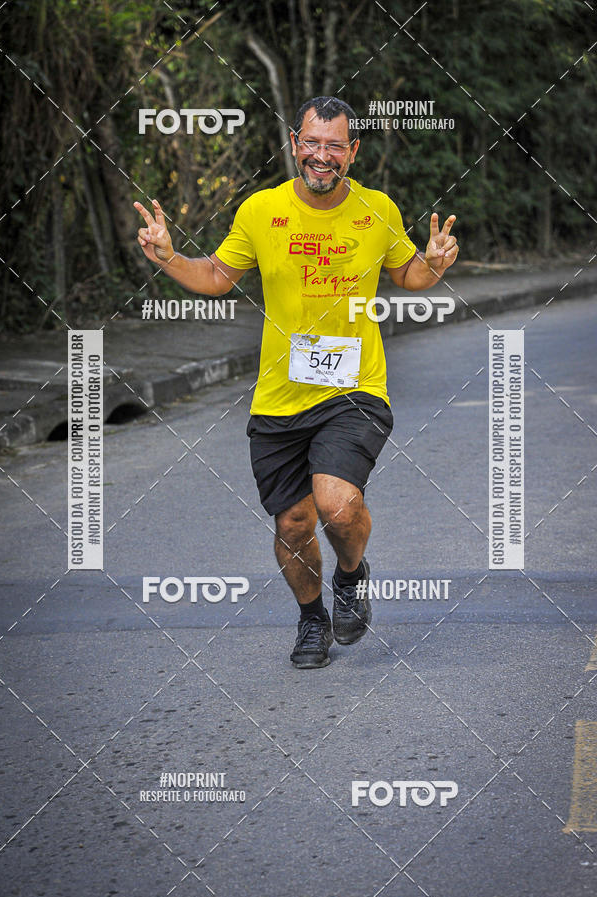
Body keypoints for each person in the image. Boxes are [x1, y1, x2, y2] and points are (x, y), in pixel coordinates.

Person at [134, 95, 459, 669]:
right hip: (280, 396)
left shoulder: (376, 208)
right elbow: (214, 276)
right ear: (294, 143)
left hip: (354, 388)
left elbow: (407, 273)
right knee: (294, 522)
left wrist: (432, 262)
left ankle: (352, 576)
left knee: (336, 505)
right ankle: (312, 620)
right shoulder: (261, 211)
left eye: (335, 145)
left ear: (352, 152)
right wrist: (167, 258)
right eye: (312, 142)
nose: (321, 155)